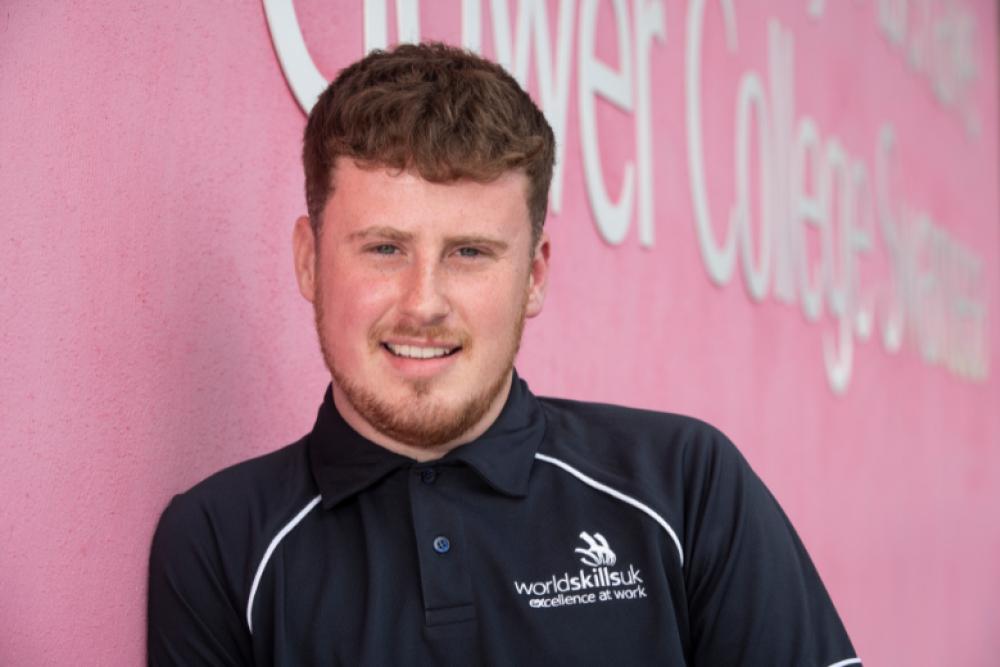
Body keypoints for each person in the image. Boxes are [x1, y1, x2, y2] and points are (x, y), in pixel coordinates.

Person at [148, 42, 860, 666]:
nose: (423, 301)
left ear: (536, 274)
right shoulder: (220, 543)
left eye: (469, 253)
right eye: (385, 248)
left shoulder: (684, 489)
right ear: (309, 261)